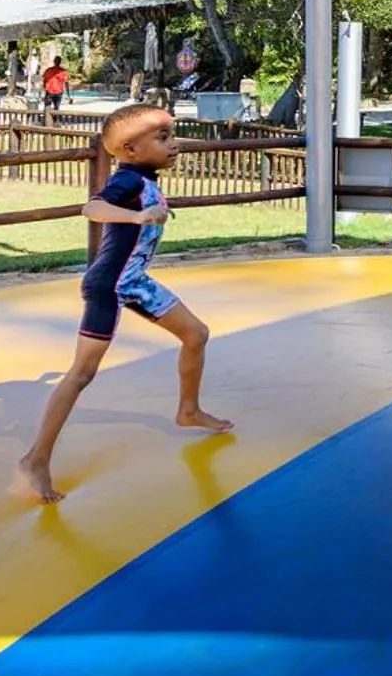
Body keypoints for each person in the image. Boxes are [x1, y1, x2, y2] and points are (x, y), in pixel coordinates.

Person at [15, 104, 232, 504]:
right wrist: (138, 218)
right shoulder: (128, 180)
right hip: (109, 285)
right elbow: (92, 208)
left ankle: (188, 410)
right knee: (81, 374)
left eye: (172, 134)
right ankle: (36, 458)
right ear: (130, 150)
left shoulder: (145, 176)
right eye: (163, 138)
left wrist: (148, 214)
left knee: (196, 334)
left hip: (134, 281)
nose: (175, 144)